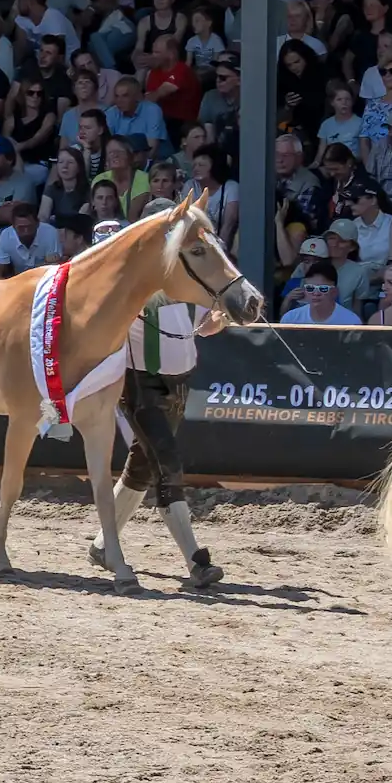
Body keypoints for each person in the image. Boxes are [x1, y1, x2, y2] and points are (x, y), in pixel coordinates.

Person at [97, 200, 228, 590]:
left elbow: (204, 326)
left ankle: (103, 544)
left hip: (178, 380)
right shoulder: (135, 278)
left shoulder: (183, 277)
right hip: (140, 381)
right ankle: (195, 560)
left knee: (142, 466)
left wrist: (216, 320)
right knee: (167, 462)